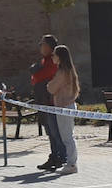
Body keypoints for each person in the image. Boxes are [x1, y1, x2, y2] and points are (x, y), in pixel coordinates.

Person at [30, 35, 65, 171]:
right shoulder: (44, 61)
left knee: (56, 132)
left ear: (50, 47)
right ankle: (54, 156)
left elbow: (39, 76)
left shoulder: (53, 61)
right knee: (50, 132)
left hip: (51, 103)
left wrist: (35, 75)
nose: (40, 46)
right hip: (42, 101)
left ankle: (61, 158)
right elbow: (34, 78)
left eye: (43, 44)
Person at [46, 44, 80, 175]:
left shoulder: (62, 72)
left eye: (54, 54)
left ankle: (71, 164)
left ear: (59, 57)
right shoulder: (69, 70)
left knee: (67, 137)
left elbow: (51, 88)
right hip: (67, 105)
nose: (52, 57)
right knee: (68, 135)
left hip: (64, 107)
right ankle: (71, 162)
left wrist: (49, 84)